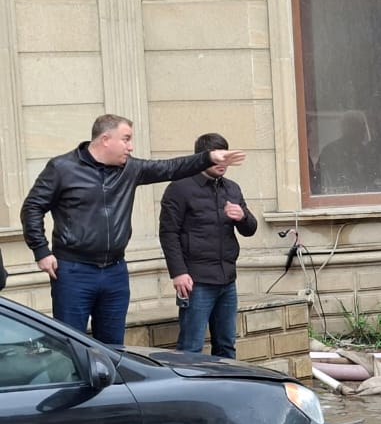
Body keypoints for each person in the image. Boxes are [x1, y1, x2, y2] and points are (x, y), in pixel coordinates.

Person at [21, 113, 245, 344]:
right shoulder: (62, 168)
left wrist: (208, 157)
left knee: (113, 347)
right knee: (71, 344)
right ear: (106, 139)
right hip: (73, 270)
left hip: (115, 271)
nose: (131, 146)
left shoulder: (130, 169)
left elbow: (170, 168)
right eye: (126, 139)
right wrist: (41, 250)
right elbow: (33, 207)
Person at [158, 133, 258, 358]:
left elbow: (250, 229)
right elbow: (168, 233)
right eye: (218, 158)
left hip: (227, 280)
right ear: (203, 158)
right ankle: (188, 392)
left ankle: (227, 391)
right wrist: (179, 273)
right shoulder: (180, 188)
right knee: (190, 348)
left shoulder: (232, 188)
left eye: (226, 158)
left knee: (226, 345)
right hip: (196, 281)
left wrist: (242, 216)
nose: (223, 164)